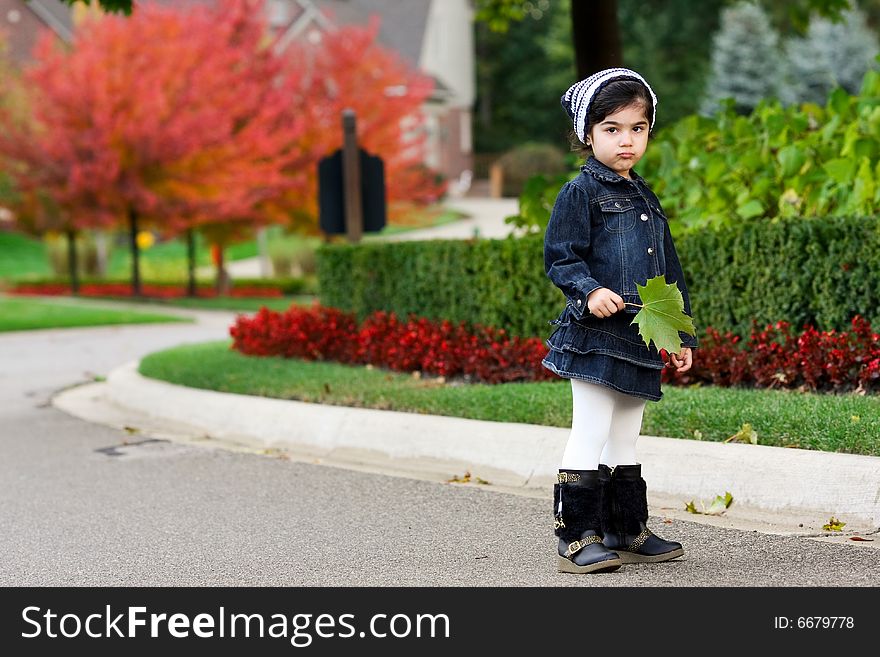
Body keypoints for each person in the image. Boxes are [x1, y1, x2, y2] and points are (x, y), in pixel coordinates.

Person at [543, 68, 698, 574]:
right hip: (594, 337)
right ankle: (576, 536)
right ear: (588, 134)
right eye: (612, 128)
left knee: (627, 435)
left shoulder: (644, 196)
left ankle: (626, 527)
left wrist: (677, 331)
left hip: (641, 338)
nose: (626, 140)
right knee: (590, 431)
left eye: (638, 127)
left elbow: (667, 274)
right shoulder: (580, 193)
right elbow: (561, 259)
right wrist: (590, 292)